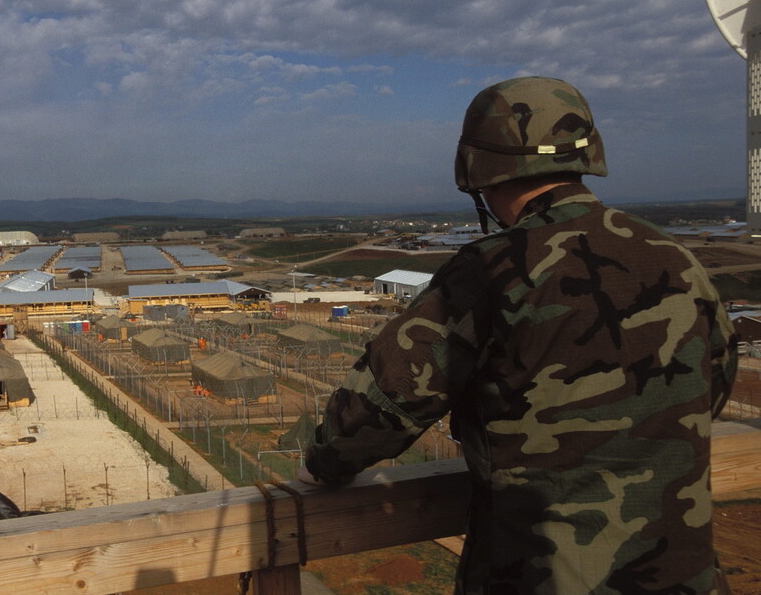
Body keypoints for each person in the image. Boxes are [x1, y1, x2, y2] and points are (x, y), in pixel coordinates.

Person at [299, 76, 737, 594]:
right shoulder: (677, 259)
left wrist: (323, 461)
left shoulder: (490, 270)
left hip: (537, 577)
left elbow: (381, 407)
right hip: (682, 578)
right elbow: (715, 383)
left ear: (478, 168)